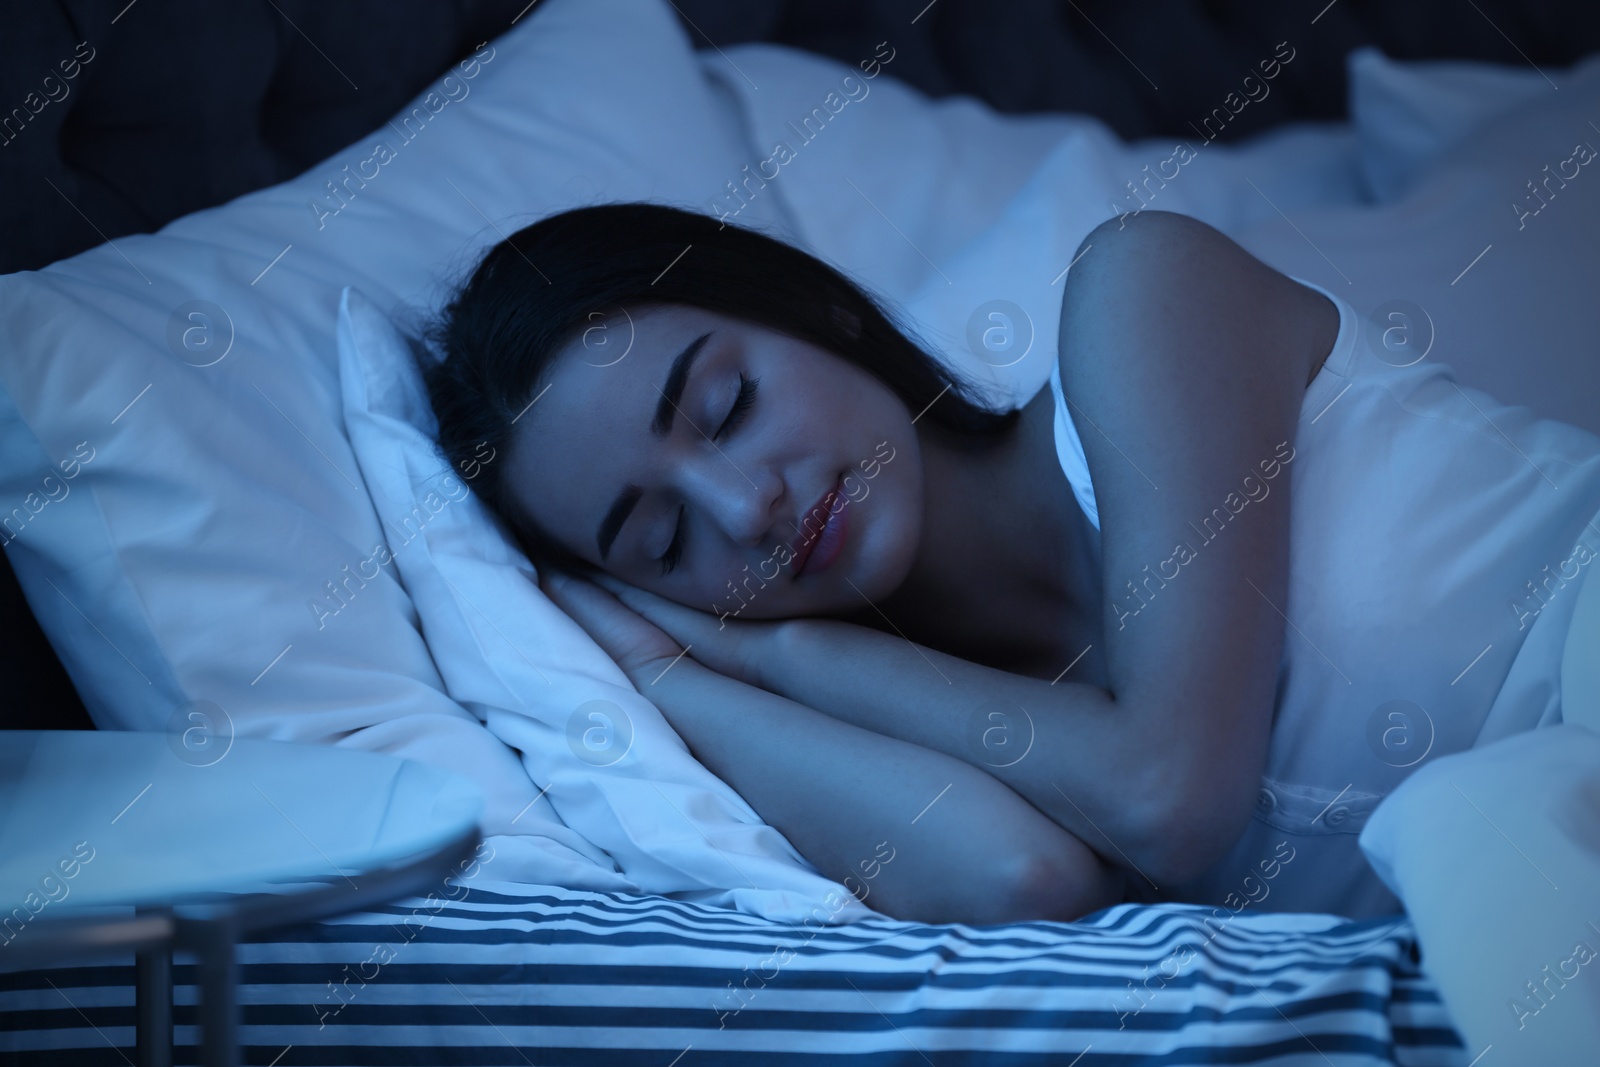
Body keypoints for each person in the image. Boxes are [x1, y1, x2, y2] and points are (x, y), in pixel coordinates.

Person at [422, 201, 1600, 928]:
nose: (745, 507)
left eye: (726, 405)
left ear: (808, 312)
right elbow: (1018, 878)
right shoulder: (953, 728)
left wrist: (781, 645)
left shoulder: (1141, 290)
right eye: (663, 541)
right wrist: (684, 677)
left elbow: (1169, 798)